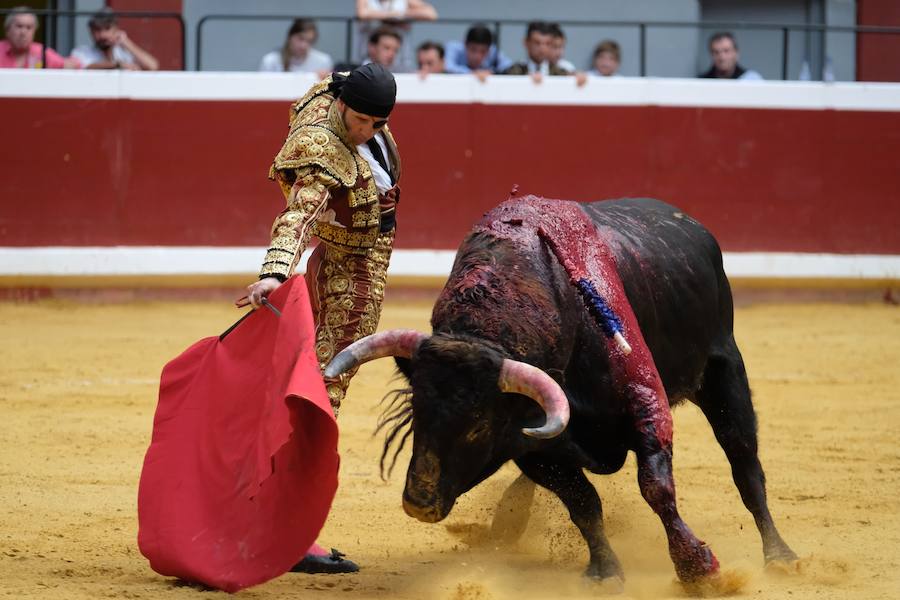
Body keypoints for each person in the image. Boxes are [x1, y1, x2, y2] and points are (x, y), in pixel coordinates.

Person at [239, 63, 401, 574]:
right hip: (349, 273)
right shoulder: (319, 146)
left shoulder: (346, 94)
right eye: (358, 122)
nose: (365, 133)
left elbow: (338, 76)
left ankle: (274, 511)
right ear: (341, 108)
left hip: (353, 262)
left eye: (376, 125)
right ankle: (286, 529)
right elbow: (300, 212)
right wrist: (274, 270)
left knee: (312, 381)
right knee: (320, 397)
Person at [355, 0, 437, 72]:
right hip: (368, 59)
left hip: (401, 62)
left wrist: (403, 13)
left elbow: (431, 14)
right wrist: (393, 15)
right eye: (387, 48)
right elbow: (362, 13)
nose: (391, 53)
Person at [71, 8, 158, 71]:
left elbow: (152, 66)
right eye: (97, 30)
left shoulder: (124, 54)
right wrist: (118, 65)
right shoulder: (82, 52)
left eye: (107, 29)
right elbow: (86, 67)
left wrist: (126, 43)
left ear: (116, 30)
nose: (102, 35)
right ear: (91, 32)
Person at [1, 7, 79, 69]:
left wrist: (71, 64)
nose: (23, 32)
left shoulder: (41, 51)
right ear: (7, 30)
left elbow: (70, 65)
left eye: (29, 28)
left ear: (34, 31)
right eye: (19, 26)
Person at [258, 18, 333, 74]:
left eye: (309, 41)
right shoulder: (270, 61)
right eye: (300, 38)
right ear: (290, 36)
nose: (304, 45)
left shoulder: (323, 61)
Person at [502, 21, 572, 80]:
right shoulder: (513, 72)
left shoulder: (561, 73)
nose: (542, 48)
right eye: (537, 43)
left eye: (547, 44)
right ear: (526, 43)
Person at [444, 23, 512, 79]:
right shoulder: (453, 48)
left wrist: (492, 73)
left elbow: (509, 67)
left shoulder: (493, 52)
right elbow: (448, 67)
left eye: (483, 51)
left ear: (489, 49)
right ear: (465, 44)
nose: (477, 56)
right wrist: (472, 73)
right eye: (473, 49)